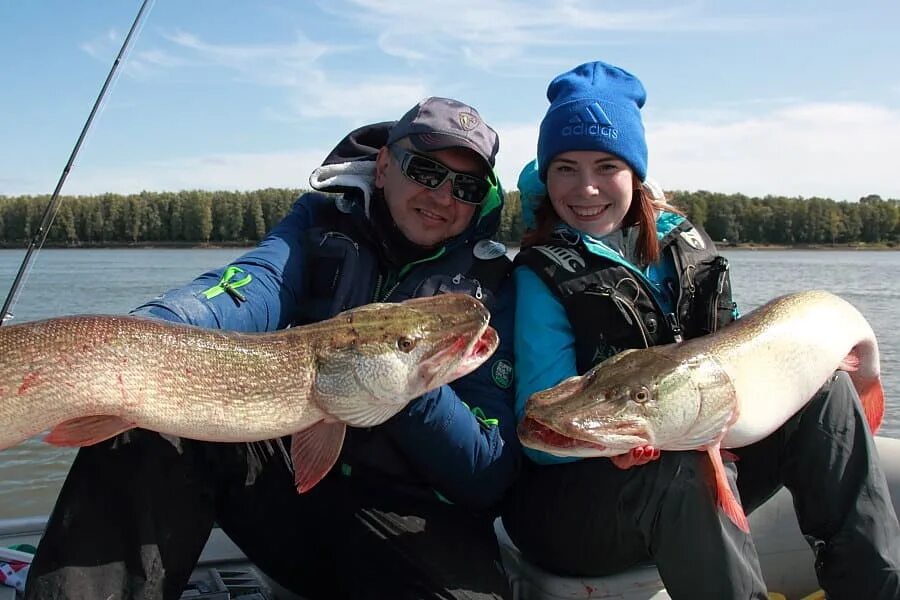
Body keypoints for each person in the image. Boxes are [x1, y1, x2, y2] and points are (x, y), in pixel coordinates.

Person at [26, 97, 520, 600]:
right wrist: (151, 332)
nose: (442, 196)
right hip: (285, 498)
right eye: (426, 170)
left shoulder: (495, 286)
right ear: (385, 165)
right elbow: (252, 283)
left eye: (466, 186)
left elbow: (486, 478)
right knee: (150, 414)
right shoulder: (319, 222)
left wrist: (407, 386)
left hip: (415, 523)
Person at [500, 60, 900, 600]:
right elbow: (541, 436)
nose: (586, 187)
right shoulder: (540, 275)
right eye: (565, 168)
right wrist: (616, 441)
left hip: (684, 457)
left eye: (607, 166)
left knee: (824, 394)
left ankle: (871, 589)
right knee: (680, 462)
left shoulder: (684, 248)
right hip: (572, 512)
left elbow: (730, 364)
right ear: (546, 176)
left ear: (635, 172)